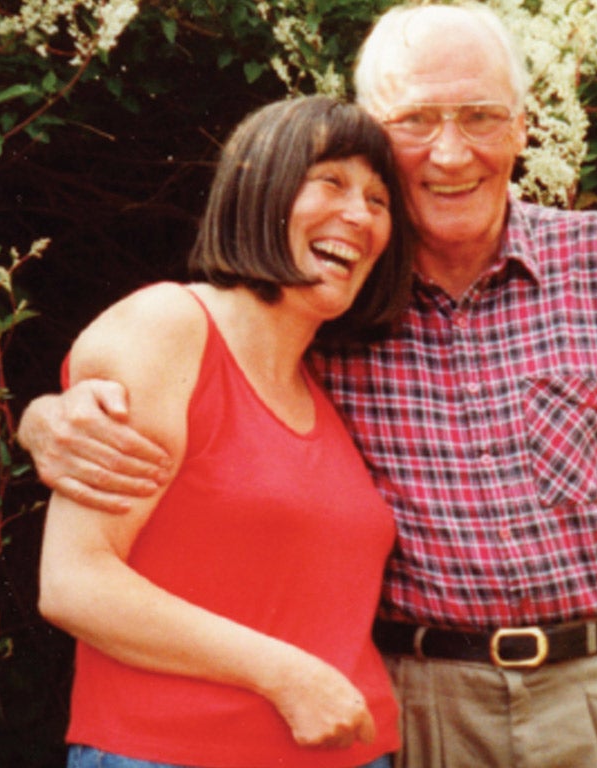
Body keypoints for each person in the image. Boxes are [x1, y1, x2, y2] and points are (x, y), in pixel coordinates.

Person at [20, 3, 597, 767]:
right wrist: (49, 415)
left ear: (525, 127)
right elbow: (198, 379)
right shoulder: (327, 309)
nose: (452, 151)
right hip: (416, 702)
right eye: (416, 120)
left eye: (481, 116)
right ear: (375, 131)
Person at [34, 94, 413, 768]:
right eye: (329, 180)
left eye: (379, 200)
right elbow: (74, 582)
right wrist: (289, 676)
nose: (358, 214)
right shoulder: (168, 327)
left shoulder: (324, 385)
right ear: (259, 187)